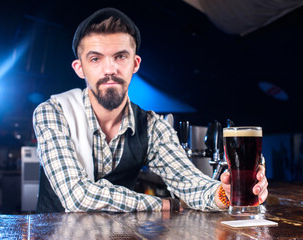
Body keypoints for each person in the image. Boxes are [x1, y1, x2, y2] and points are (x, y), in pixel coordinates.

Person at [33, 8, 268, 213]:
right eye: (95, 59)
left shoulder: (152, 126)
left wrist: (224, 193)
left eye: (120, 56)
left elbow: (191, 184)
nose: (110, 69)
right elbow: (78, 197)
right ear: (79, 68)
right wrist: (165, 205)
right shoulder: (53, 113)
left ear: (135, 63)